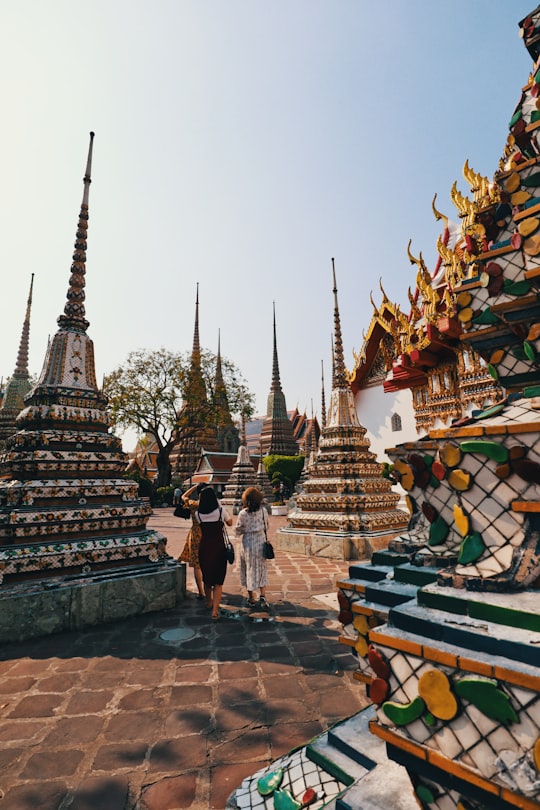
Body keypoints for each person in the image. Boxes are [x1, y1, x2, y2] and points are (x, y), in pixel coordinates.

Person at [195, 487, 233, 620]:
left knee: (207, 577)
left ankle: (209, 602)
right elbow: (230, 523)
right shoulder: (220, 511)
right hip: (218, 548)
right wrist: (221, 507)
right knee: (218, 581)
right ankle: (215, 611)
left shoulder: (198, 514)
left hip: (204, 548)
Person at [235, 486, 269, 608]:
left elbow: (238, 530)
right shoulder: (263, 511)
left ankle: (251, 597)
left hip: (248, 543)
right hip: (261, 542)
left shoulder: (243, 513)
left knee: (249, 569)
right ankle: (263, 595)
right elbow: (267, 526)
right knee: (261, 569)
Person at [178, 482, 208, 600]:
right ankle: (209, 589)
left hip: (195, 534)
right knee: (208, 563)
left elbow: (183, 496)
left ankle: (201, 592)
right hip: (208, 535)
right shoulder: (214, 506)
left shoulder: (194, 504)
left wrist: (195, 487)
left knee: (197, 565)